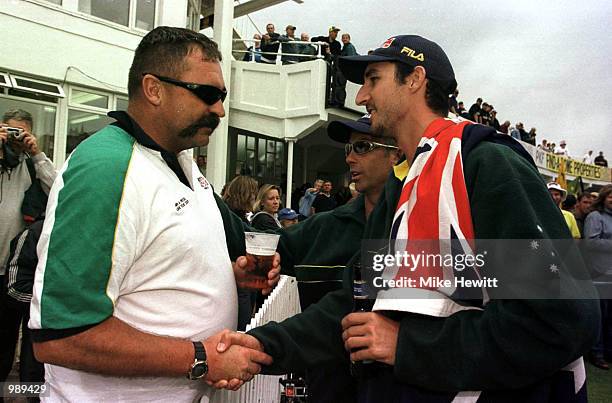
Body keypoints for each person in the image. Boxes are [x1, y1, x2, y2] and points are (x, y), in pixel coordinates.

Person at [217, 34, 599, 402]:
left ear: (415, 80)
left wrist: (408, 345)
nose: (361, 96)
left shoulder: (485, 163)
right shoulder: (404, 186)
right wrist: (263, 345)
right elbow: (356, 305)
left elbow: (558, 320)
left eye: (373, 80)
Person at [28, 27, 277, 402]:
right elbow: (62, 336)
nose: (220, 109)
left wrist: (229, 275)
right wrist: (200, 359)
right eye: (207, 94)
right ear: (153, 88)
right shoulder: (106, 169)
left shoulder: (180, 160)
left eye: (222, 96)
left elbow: (151, 266)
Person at [0, 108, 57, 382]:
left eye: (21, 133)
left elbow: (59, 190)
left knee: (27, 347)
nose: (15, 139)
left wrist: (37, 154)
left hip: (19, 271)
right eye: (10, 131)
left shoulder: (33, 165)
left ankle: (24, 392)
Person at [222, 175, 260, 331]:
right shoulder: (232, 219)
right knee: (243, 328)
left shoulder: (237, 217)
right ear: (245, 194)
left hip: (242, 279)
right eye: (253, 193)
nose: (255, 198)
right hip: (236, 280)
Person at [584, 185, 612, 370]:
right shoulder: (595, 217)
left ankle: (608, 351)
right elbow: (591, 242)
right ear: (604, 197)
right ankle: (597, 353)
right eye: (611, 196)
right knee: (600, 317)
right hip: (600, 274)